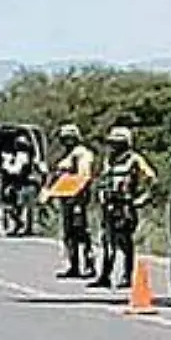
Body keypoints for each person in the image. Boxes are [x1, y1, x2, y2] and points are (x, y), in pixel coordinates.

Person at [93, 126, 157, 290]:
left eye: (118, 143)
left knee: (124, 242)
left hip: (125, 206)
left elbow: (151, 178)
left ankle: (127, 276)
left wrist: (143, 198)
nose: (114, 146)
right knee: (107, 241)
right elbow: (102, 180)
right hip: (108, 205)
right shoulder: (108, 160)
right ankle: (105, 276)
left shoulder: (134, 159)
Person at [49, 123, 97, 279]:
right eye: (64, 139)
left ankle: (89, 264)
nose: (66, 141)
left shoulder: (82, 154)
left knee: (81, 231)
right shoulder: (67, 155)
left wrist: (78, 197)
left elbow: (84, 176)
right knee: (69, 233)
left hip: (78, 199)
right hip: (67, 199)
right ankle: (74, 265)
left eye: (69, 138)